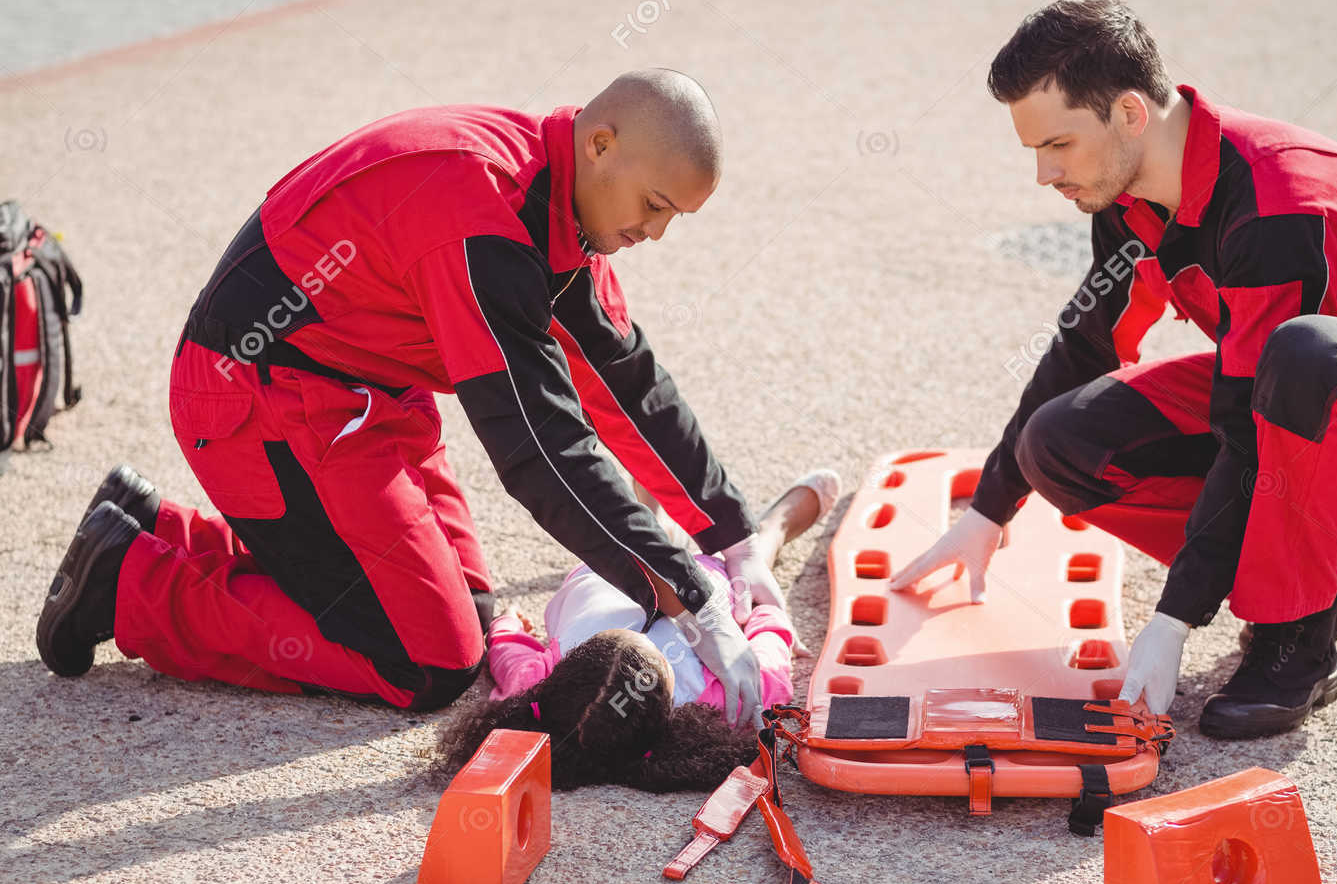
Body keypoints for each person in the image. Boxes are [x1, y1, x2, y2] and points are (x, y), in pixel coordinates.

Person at [38, 70, 781, 717]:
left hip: (363, 397)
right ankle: (129, 577)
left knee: (472, 615)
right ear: (601, 145)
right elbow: (541, 449)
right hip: (256, 400)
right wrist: (692, 598)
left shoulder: (556, 197)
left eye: (672, 218)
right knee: (428, 663)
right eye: (654, 205)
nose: (654, 233)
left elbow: (626, 381)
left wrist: (734, 543)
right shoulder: (482, 218)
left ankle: (153, 523)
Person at [891, 0, 1337, 739]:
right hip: (1298, 391)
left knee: (1303, 355)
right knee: (1057, 445)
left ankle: (1297, 638)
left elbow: (1248, 423)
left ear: (1130, 113)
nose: (1044, 173)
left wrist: (1174, 616)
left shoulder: (1277, 201)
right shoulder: (1129, 199)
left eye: (1059, 143)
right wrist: (988, 510)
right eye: (1035, 150)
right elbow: (1085, 346)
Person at [431, 470, 839, 790]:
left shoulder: (533, 691)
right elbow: (767, 644)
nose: (650, 624)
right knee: (754, 564)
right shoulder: (730, 700)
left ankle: (651, 525)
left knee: (648, 539)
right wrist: (763, 607)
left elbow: (509, 655)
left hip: (610, 566)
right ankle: (771, 532)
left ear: (562, 674)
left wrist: (506, 625)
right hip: (706, 580)